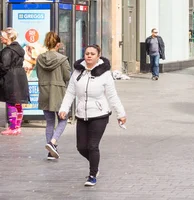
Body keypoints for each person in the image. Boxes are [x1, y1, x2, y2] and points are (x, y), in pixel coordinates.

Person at [59, 45, 127, 186]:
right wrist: (64, 108)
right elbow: (70, 92)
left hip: (100, 114)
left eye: (92, 54)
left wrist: (121, 113)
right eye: (87, 53)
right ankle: (95, 164)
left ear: (98, 56)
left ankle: (92, 174)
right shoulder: (78, 72)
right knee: (81, 147)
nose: (89, 56)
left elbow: (112, 96)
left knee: (92, 146)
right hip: (82, 114)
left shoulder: (105, 74)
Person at [35, 32, 71, 159]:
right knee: (63, 119)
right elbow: (67, 77)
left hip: (44, 91)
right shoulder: (62, 59)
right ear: (58, 44)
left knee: (50, 122)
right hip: (59, 91)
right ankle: (53, 142)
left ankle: (50, 152)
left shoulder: (39, 58)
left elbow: (39, 75)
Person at [0, 28, 29, 136]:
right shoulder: (20, 50)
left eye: (2, 36)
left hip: (10, 78)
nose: (0, 38)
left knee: (10, 101)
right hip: (20, 77)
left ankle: (12, 128)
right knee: (18, 102)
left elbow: (4, 66)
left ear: (8, 37)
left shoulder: (7, 50)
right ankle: (17, 127)